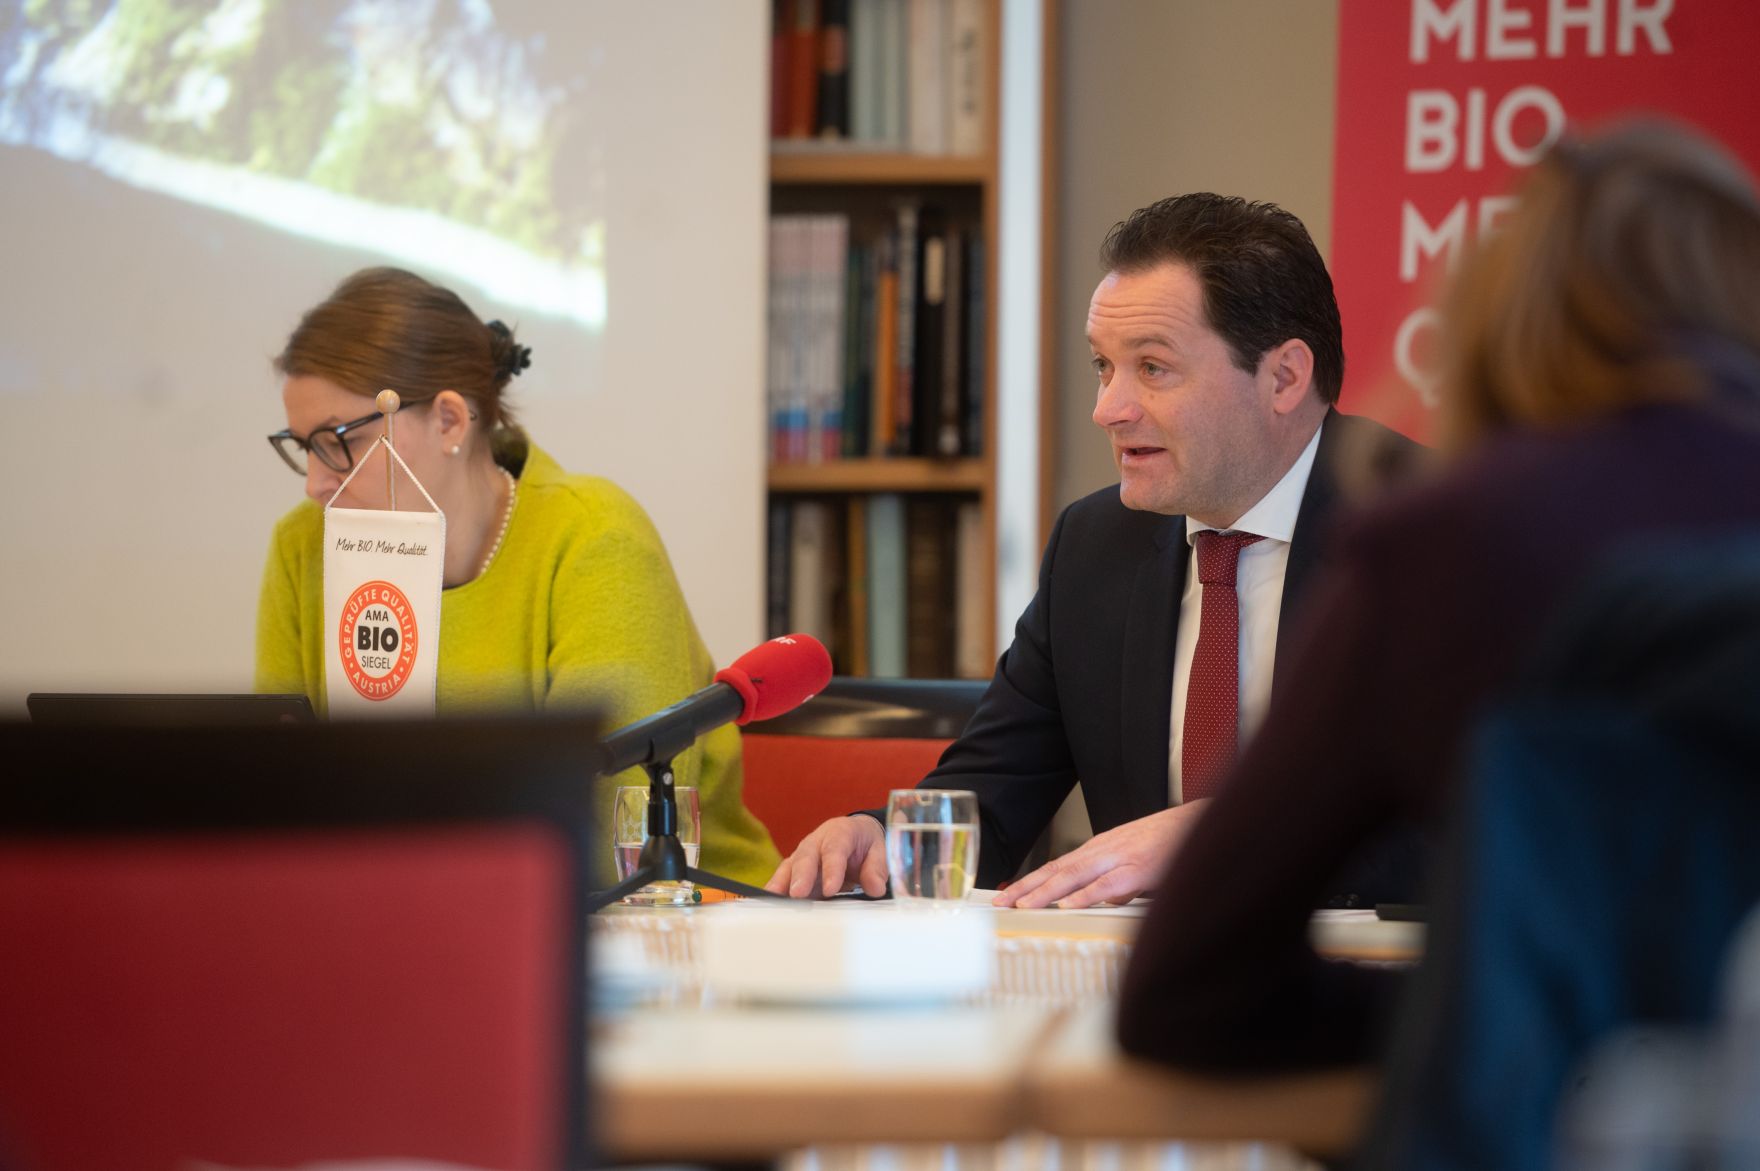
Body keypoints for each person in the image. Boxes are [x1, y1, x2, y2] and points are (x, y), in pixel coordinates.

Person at [1118, 120, 1760, 1071]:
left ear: (1499, 315)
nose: (1112, 407)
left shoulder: (1438, 546)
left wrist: (1492, 1007)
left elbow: (1188, 986)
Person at [768, 194, 1420, 906]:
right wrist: (879, 841)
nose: (1108, 408)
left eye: (1152, 367)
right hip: (1145, 987)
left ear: (1285, 377)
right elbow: (993, 795)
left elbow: (1467, 827)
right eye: (1104, 367)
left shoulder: (1435, 533)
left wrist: (1224, 835)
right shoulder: (1095, 546)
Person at [256, 267, 779, 886]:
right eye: (302, 447)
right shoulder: (303, 545)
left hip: (675, 927)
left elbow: (616, 835)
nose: (317, 484)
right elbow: (276, 800)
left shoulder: (593, 535)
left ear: (450, 420)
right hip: (398, 923)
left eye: (338, 442)